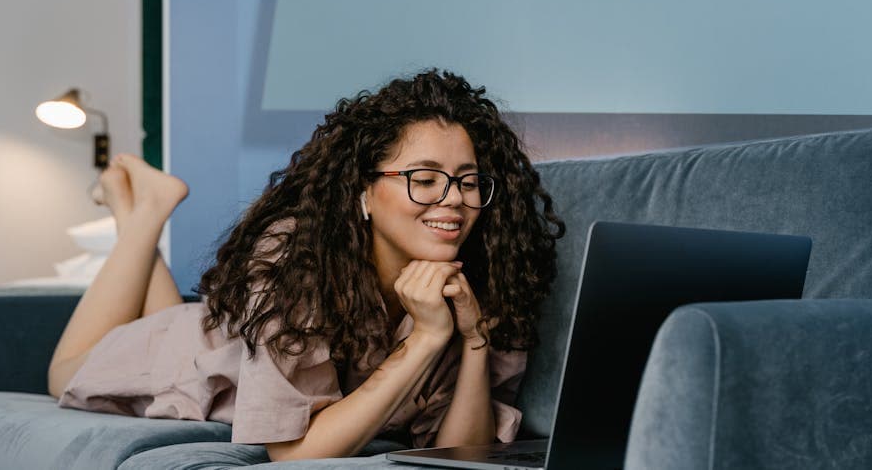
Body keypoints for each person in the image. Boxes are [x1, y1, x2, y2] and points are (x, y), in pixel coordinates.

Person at [47, 70, 565, 461]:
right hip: (188, 356)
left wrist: (474, 341)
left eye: (468, 181)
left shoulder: (488, 272)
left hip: (223, 342)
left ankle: (139, 211)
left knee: (186, 327)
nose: (452, 200)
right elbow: (295, 458)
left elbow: (462, 458)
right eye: (424, 179)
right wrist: (425, 341)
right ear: (363, 191)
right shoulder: (298, 255)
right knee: (64, 373)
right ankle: (141, 215)